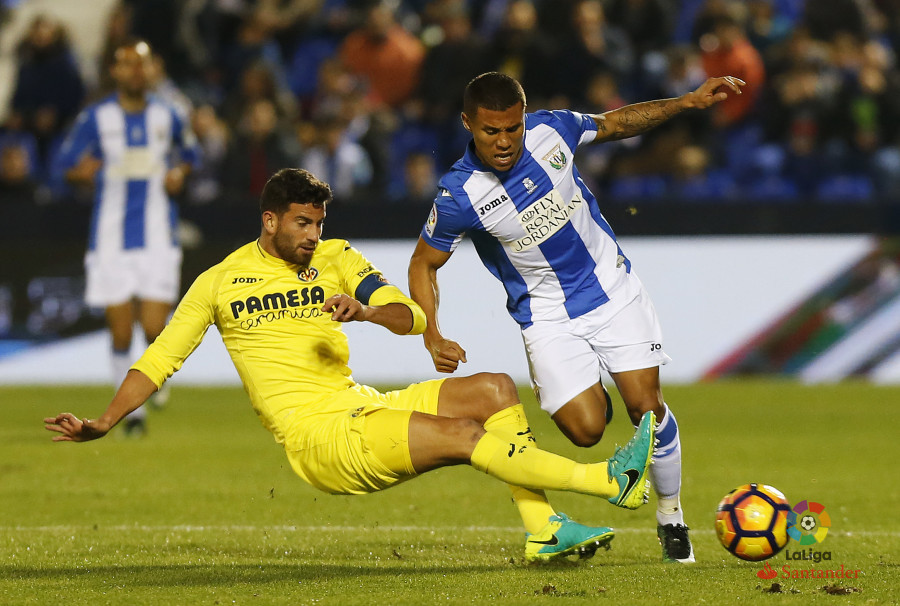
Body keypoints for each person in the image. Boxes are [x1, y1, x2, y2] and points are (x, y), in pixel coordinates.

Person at [44, 168, 656, 564]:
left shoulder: (336, 258)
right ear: (270, 220)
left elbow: (410, 315)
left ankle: (543, 527)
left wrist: (364, 311)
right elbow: (159, 360)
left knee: (494, 390)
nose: (313, 234)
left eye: (318, 223)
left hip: (361, 404)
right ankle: (606, 481)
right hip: (319, 439)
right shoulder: (219, 282)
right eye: (302, 223)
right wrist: (104, 420)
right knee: (466, 438)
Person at [407, 71, 746, 564]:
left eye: (512, 128)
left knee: (646, 407)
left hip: (610, 291)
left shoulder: (553, 131)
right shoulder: (460, 195)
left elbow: (615, 123)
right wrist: (431, 332)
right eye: (490, 132)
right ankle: (595, 385)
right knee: (586, 430)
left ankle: (671, 515)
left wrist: (687, 102)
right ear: (468, 124)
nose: (504, 142)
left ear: (524, 120)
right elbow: (424, 262)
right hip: (545, 318)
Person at [53, 39, 199, 434]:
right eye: (127, 64)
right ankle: (134, 415)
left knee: (154, 329)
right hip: (110, 238)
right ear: (114, 71)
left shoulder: (169, 116)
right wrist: (77, 174)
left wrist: (179, 175)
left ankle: (157, 378)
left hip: (157, 237)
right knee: (120, 330)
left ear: (154, 69)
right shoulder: (96, 118)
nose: (136, 71)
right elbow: (62, 165)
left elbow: (192, 155)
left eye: (143, 63)